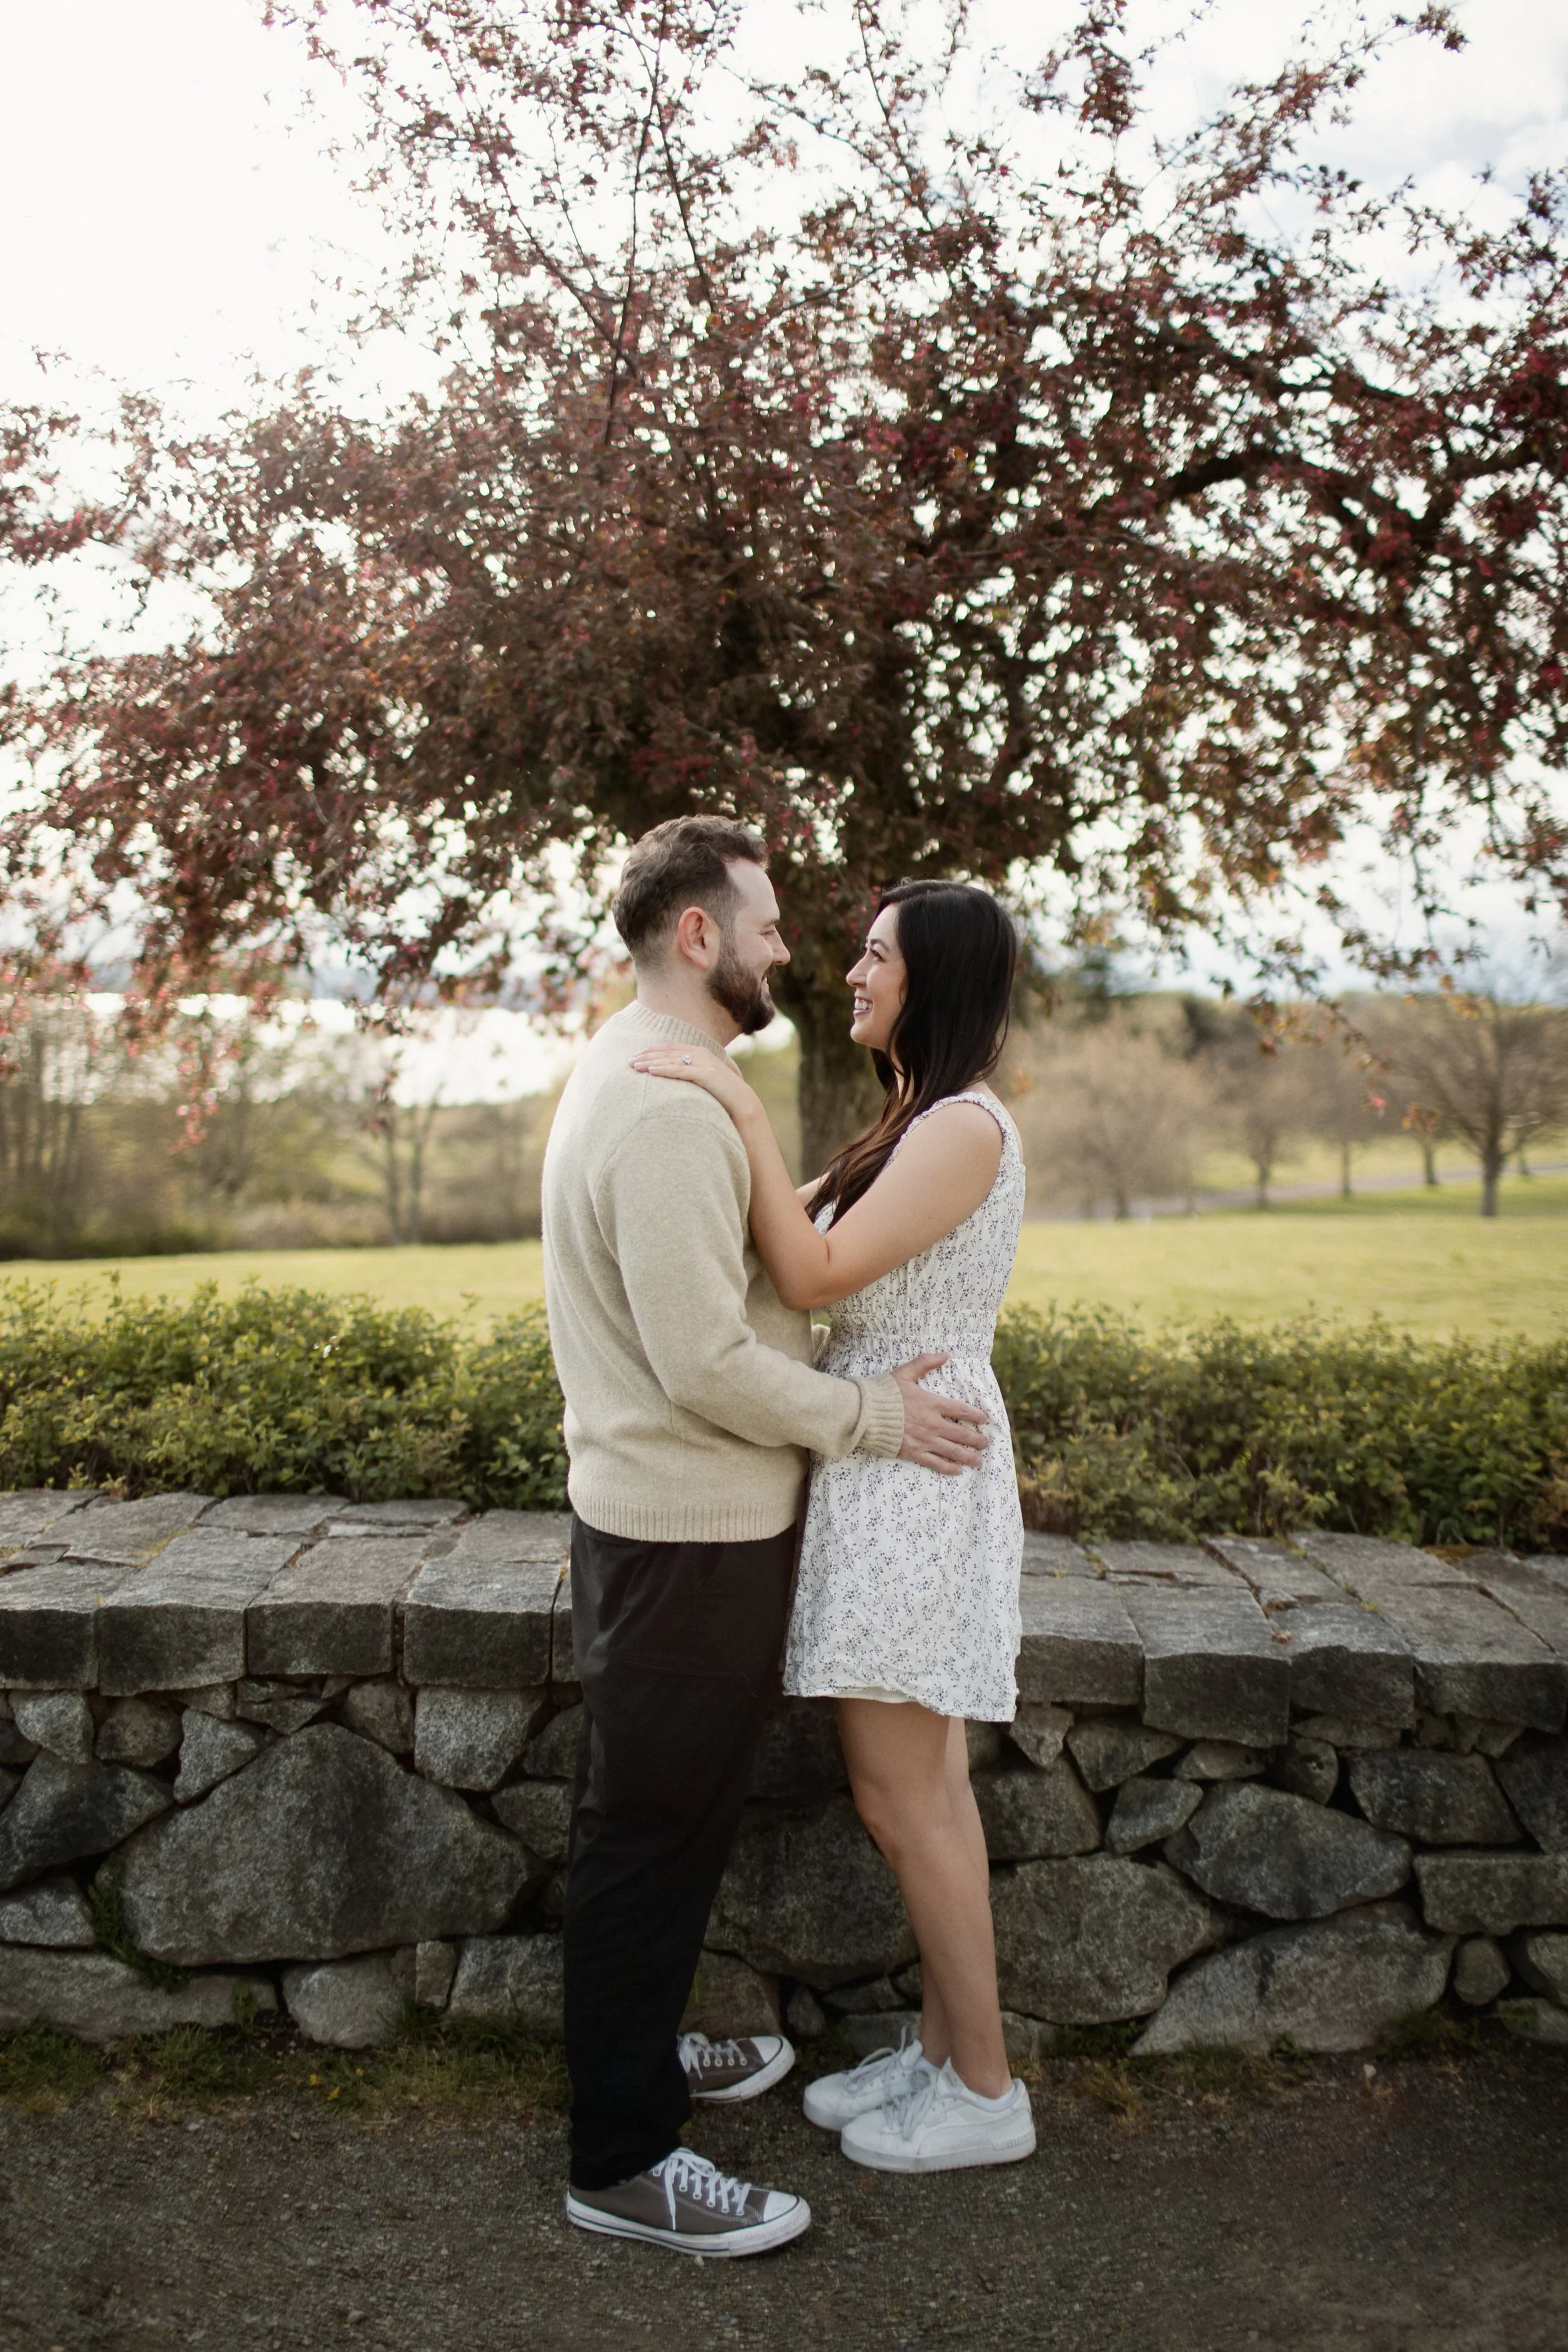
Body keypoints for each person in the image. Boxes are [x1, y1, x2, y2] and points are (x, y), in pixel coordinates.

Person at [541, 817, 992, 2257]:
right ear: (696, 935)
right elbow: (705, 1364)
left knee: (661, 1828)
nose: (791, 948)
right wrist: (868, 1419)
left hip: (675, 1520)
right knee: (649, 1839)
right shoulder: (673, 1106)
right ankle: (622, 2154)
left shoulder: (651, 1073)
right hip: (683, 1532)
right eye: (771, 922)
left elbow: (769, 1277)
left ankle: (638, 2053)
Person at [629, 877, 1033, 2176]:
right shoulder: (908, 1119)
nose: (849, 973)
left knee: (908, 1797)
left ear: (937, 979)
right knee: (908, 1792)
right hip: (879, 1452)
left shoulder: (961, 1128)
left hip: (915, 1461)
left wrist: (724, 1090)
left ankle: (982, 2090)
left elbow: (806, 1277)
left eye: (873, 957)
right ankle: (939, 2053)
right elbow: (779, 1238)